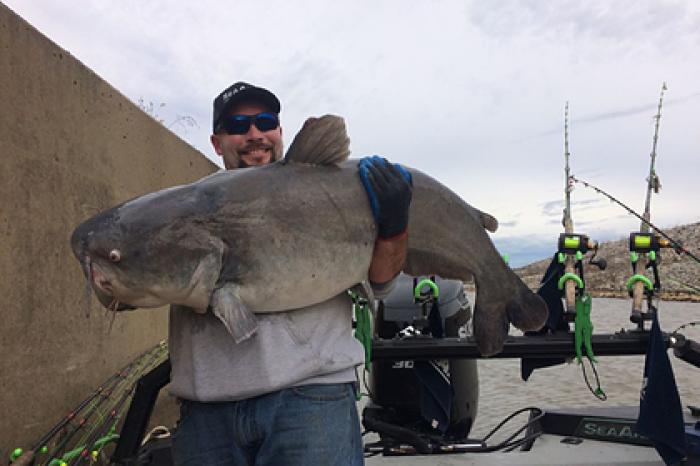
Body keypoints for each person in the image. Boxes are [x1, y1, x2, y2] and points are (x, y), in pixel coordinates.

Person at [168, 82, 413, 466]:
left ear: (280, 132)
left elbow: (380, 284)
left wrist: (394, 228)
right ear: (217, 142)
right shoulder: (183, 207)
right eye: (238, 125)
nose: (254, 135)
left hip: (312, 403)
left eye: (265, 122)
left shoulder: (343, 194)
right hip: (207, 413)